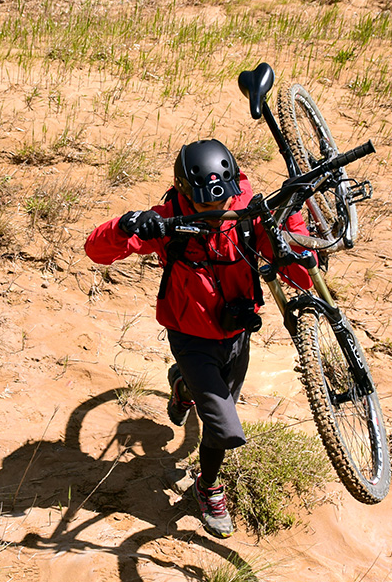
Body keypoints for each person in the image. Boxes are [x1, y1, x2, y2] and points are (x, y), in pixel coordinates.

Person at [84, 139, 312, 538]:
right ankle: (208, 488)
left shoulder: (247, 212)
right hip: (189, 335)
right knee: (223, 424)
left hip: (239, 331)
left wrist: (296, 243)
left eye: (218, 206)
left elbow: (283, 257)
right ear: (186, 192)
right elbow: (96, 250)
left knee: (211, 395)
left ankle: (181, 388)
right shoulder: (167, 220)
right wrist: (126, 224)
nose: (213, 215)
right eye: (204, 207)